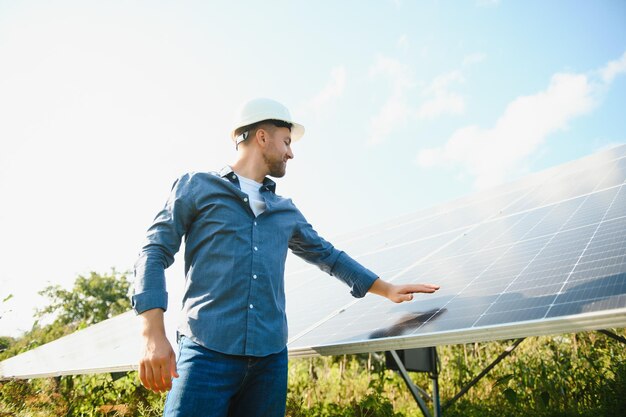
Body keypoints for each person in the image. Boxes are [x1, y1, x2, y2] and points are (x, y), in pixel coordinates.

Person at [131, 97, 440, 417]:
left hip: (269, 363)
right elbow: (153, 251)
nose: (291, 153)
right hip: (206, 354)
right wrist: (152, 334)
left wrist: (386, 289)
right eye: (287, 142)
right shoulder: (196, 187)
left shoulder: (285, 211)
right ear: (262, 137)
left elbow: (328, 256)